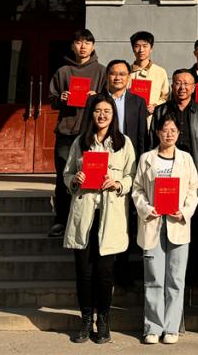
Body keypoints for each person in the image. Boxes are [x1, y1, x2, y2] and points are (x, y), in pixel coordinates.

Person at [62, 97, 136, 344]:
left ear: (113, 115)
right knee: (84, 272)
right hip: (85, 214)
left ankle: (103, 320)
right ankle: (85, 320)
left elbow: (132, 175)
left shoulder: (124, 143)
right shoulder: (80, 142)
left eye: (107, 111)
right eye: (97, 111)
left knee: (104, 273)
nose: (102, 115)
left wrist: (118, 183)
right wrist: (75, 179)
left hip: (110, 216)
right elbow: (67, 173)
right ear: (91, 114)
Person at [131, 115, 198, 345]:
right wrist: (146, 208)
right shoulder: (146, 159)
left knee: (176, 279)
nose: (169, 134)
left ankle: (171, 327)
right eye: (164, 130)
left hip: (177, 223)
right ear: (157, 132)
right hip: (153, 222)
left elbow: (193, 190)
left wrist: (185, 211)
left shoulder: (186, 159)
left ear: (179, 134)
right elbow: (137, 189)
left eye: (173, 130)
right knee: (153, 278)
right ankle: (152, 327)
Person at [83, 59, 148, 288]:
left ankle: (122, 269)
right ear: (107, 76)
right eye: (113, 73)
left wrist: (139, 168)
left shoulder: (138, 101)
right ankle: (98, 268)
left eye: (122, 74)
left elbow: (141, 136)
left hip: (126, 167)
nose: (117, 77)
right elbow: (85, 131)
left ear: (129, 77)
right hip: (98, 169)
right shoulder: (95, 101)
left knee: (125, 220)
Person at [48, 29, 106, 238]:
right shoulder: (63, 71)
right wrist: (61, 98)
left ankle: (91, 222)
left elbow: (108, 101)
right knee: (65, 176)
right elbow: (52, 99)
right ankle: (61, 220)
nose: (83, 46)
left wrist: (97, 97)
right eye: (79, 42)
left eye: (87, 42)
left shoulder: (101, 71)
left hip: (91, 132)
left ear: (93, 46)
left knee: (92, 176)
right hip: (66, 131)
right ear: (73, 46)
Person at [150, 69, 198, 174]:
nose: (182, 87)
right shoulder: (160, 111)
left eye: (186, 84)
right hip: (165, 166)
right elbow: (152, 140)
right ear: (172, 86)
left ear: (193, 88)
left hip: (195, 166)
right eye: (178, 83)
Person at [129, 30, 170, 117]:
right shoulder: (126, 71)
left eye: (145, 46)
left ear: (151, 48)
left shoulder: (160, 72)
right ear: (133, 48)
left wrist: (155, 106)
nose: (141, 50)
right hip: (130, 116)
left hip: (152, 117)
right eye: (137, 46)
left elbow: (165, 96)